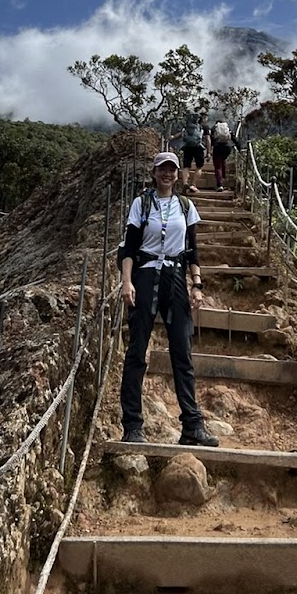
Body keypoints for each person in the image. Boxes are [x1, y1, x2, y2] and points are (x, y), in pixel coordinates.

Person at [118, 151, 219, 446]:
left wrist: (197, 285)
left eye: (172, 169)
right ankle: (132, 426)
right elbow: (129, 247)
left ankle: (192, 425)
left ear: (177, 174)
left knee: (182, 352)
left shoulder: (185, 206)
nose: (168, 174)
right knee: (137, 351)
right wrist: (127, 283)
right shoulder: (142, 203)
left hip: (175, 278)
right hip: (145, 276)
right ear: (154, 172)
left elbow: (192, 250)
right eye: (162, 169)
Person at [172, 111, 208, 193]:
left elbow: (181, 134)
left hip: (187, 147)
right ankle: (193, 185)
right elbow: (208, 139)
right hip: (199, 148)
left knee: (186, 166)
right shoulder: (203, 127)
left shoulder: (187, 127)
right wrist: (208, 152)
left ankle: (185, 183)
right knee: (199, 167)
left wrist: (172, 137)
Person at [210, 115, 235, 192]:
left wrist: (209, 149)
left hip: (217, 148)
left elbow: (210, 139)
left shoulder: (214, 128)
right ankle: (224, 179)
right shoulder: (226, 128)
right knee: (222, 161)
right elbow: (232, 136)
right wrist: (239, 146)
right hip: (227, 148)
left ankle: (220, 184)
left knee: (218, 167)